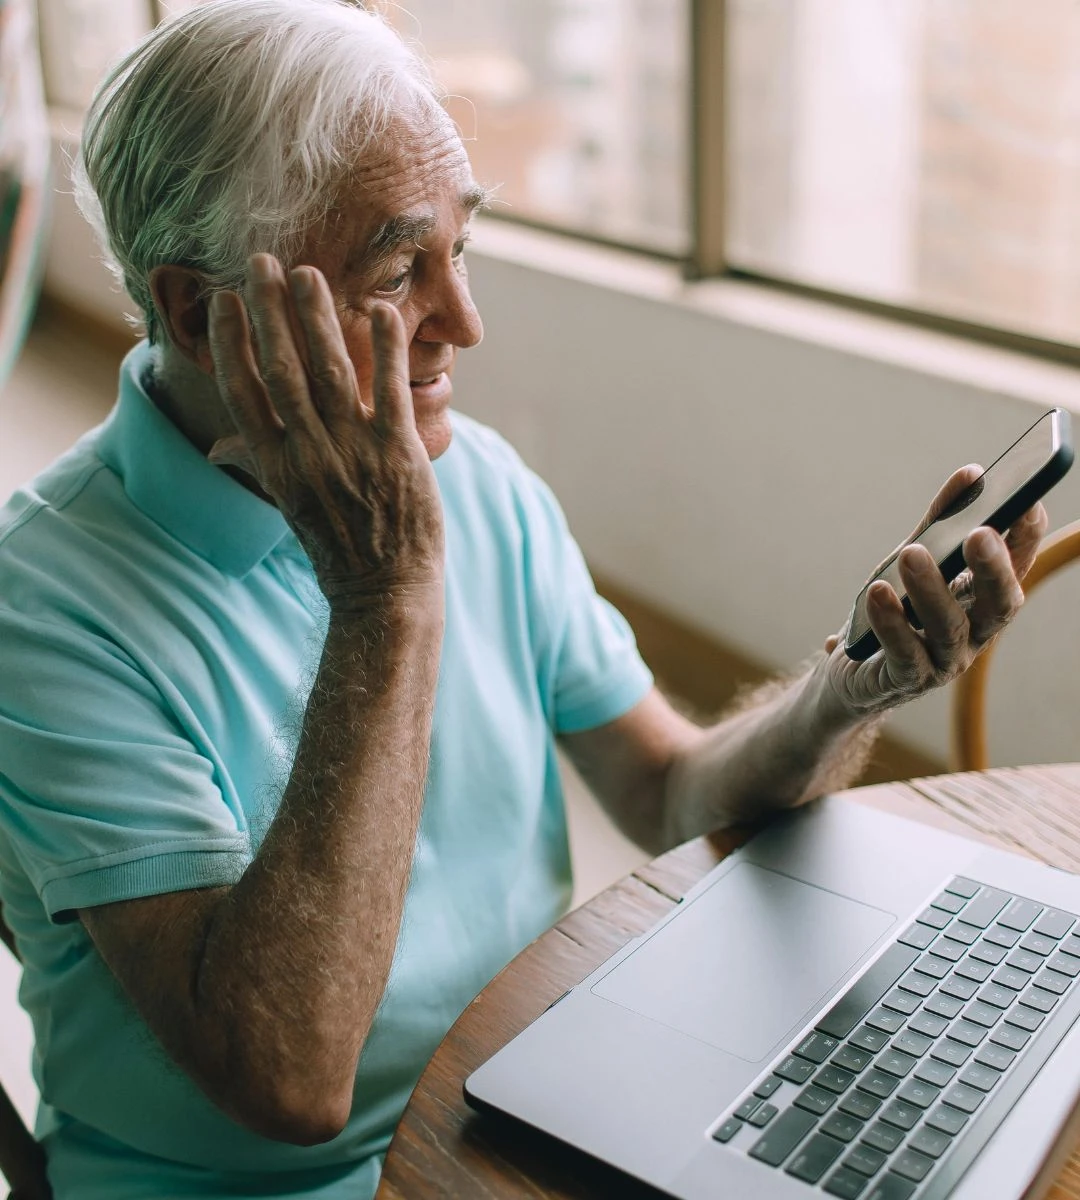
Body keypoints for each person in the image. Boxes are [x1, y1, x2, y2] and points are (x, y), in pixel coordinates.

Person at [0, 2, 1045, 1198]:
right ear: (199, 312)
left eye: (464, 250)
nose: (465, 320)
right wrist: (385, 597)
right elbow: (285, 1079)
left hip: (515, 1115)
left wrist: (842, 696)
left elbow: (663, 791)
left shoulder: (480, 481)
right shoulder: (41, 605)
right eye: (399, 269)